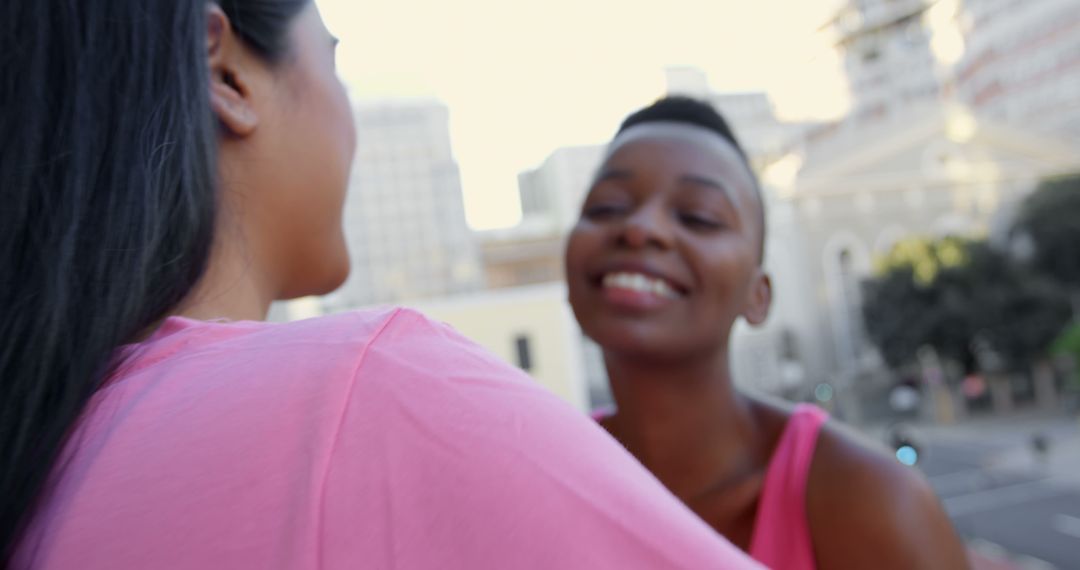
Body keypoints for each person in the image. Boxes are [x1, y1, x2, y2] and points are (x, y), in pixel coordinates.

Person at [0, 3, 763, 568]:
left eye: (697, 215)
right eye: (334, 61)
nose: (643, 232)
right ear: (226, 72)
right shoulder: (362, 384)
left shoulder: (48, 446)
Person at [565, 97, 970, 569]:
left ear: (757, 295)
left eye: (698, 216)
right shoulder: (533, 479)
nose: (639, 228)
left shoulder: (868, 499)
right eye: (607, 206)